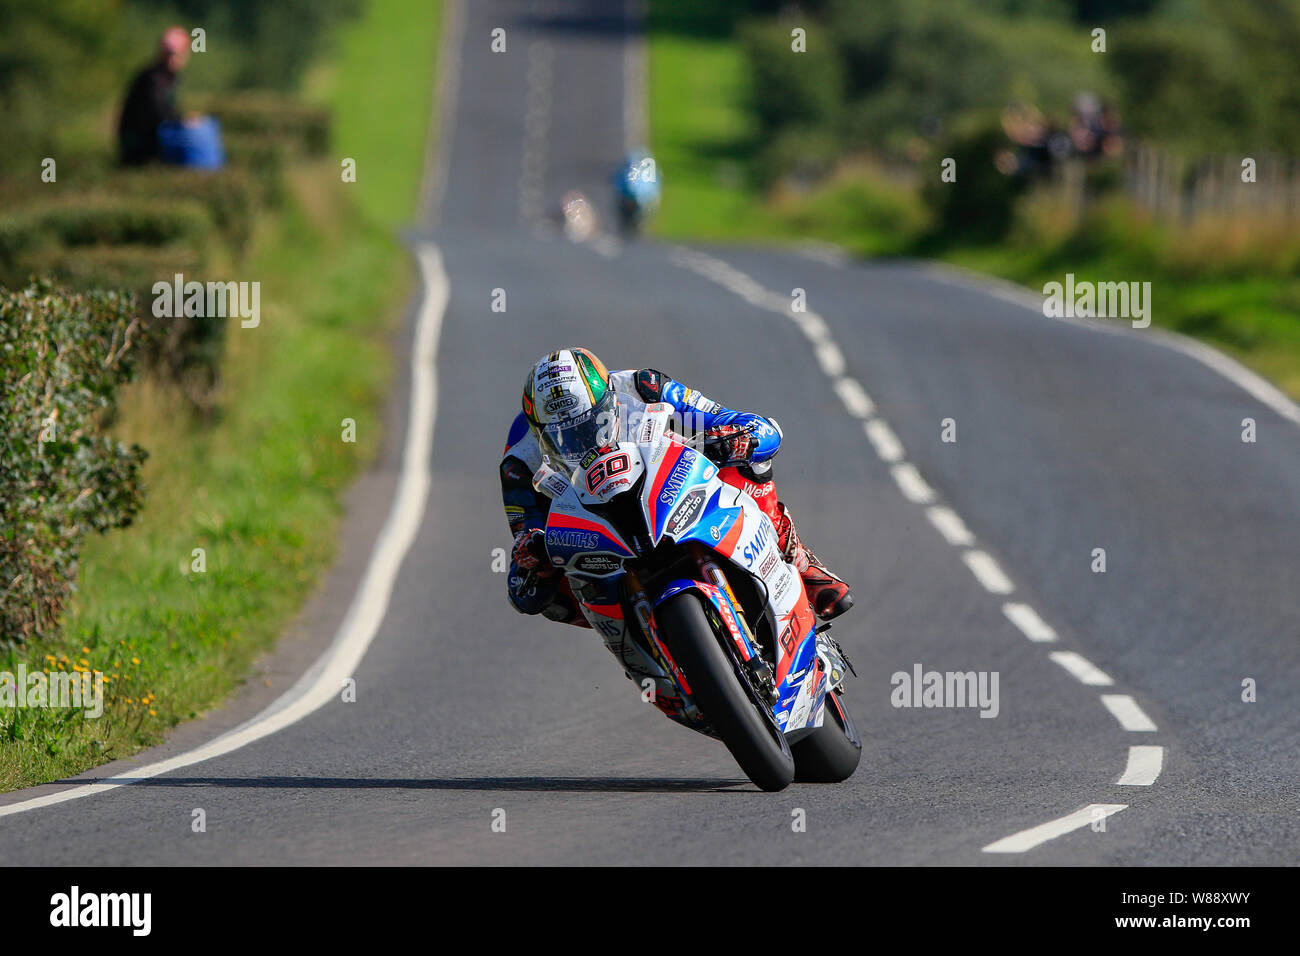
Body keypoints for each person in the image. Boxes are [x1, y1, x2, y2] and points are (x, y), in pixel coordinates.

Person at [500, 348, 853, 628]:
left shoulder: (643, 386)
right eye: (564, 437)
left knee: (746, 457)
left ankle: (799, 561)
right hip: (594, 527)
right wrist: (533, 552)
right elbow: (524, 537)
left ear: (608, 400)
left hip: (667, 487)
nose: (581, 440)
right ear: (539, 431)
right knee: (538, 595)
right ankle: (635, 643)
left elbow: (745, 424)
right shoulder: (519, 459)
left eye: (590, 424)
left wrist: (737, 440)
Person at [117, 26, 191, 166]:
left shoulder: (170, 77)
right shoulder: (153, 78)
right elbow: (157, 110)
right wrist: (183, 120)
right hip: (138, 143)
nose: (171, 59)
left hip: (151, 138)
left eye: (175, 54)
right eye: (168, 54)